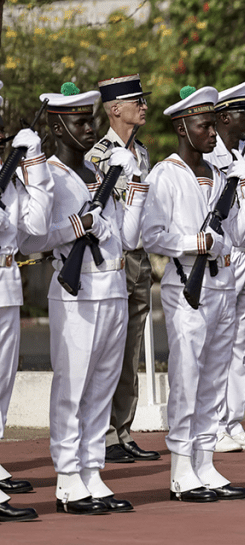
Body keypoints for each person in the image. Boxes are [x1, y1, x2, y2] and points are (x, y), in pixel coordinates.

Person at [23, 82, 147, 514]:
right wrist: (79, 225)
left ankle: (92, 471)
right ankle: (67, 477)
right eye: (80, 122)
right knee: (72, 388)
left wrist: (132, 183)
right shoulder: (50, 177)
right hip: (76, 292)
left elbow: (130, 237)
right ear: (58, 128)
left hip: (113, 289)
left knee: (102, 387)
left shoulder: (101, 173)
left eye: (92, 119)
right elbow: (32, 237)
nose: (90, 128)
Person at [141, 86, 245, 501]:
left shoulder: (219, 173)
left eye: (213, 124)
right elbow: (151, 235)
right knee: (188, 376)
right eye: (203, 125)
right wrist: (195, 242)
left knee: (215, 375)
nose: (212, 132)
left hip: (223, 282)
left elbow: (237, 235)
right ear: (181, 127)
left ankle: (206, 460)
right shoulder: (165, 174)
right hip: (186, 285)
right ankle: (180, 469)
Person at [87, 74, 160, 465]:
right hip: (112, 257)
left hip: (139, 257)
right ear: (115, 109)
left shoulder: (142, 152)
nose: (144, 106)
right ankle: (105, 434)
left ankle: (123, 430)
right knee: (108, 350)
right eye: (137, 101)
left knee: (131, 349)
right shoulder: (97, 155)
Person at [0, 83, 53, 523]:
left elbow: (35, 229)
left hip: (5, 285)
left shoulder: (9, 175)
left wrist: (33, 167)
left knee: (2, 385)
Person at [207, 82, 245, 453]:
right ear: (225, 117)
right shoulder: (209, 155)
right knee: (217, 343)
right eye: (243, 112)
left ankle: (232, 420)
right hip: (222, 256)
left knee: (240, 345)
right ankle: (212, 424)